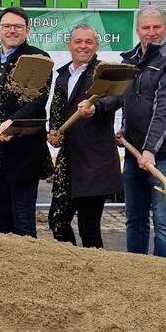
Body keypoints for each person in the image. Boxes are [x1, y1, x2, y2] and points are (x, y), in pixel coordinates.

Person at [107, 6, 166, 259]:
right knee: (135, 218)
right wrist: (111, 117)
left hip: (163, 152)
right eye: (146, 27)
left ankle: (164, 277)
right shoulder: (130, 60)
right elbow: (124, 98)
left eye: (157, 27)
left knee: (164, 220)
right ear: (138, 30)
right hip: (136, 151)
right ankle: (137, 272)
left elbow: (164, 106)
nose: (151, 33)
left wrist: (150, 149)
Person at [0, 6, 52, 237]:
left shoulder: (38, 58)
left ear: (27, 30)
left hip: (24, 153)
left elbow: (38, 101)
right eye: (6, 26)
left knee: (23, 222)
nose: (11, 30)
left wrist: (13, 122)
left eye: (17, 26)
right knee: (2, 220)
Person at [46, 25, 120, 248]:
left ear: (96, 46)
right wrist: (54, 132)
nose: (83, 46)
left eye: (88, 42)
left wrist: (96, 108)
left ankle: (95, 273)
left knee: (89, 226)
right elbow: (57, 113)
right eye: (78, 41)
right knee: (57, 221)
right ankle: (74, 265)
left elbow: (115, 99)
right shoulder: (62, 76)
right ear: (70, 45)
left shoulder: (104, 72)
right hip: (68, 161)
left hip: (95, 162)